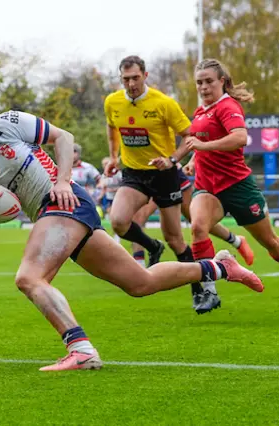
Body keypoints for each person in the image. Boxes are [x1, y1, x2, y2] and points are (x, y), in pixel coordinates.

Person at [0, 106, 264, 371]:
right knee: (140, 283)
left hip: (63, 201)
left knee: (29, 277)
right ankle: (219, 268)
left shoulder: (5, 125)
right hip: (54, 215)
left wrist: (61, 180)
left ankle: (80, 349)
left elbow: (64, 137)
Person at [178, 58, 279, 313]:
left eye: (208, 81)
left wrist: (202, 147)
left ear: (221, 81)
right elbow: (201, 142)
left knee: (271, 243)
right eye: (199, 82)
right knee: (198, 227)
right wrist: (194, 161)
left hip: (238, 187)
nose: (204, 87)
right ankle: (209, 292)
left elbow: (240, 137)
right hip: (208, 186)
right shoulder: (200, 112)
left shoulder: (228, 106)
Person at [104, 55, 205, 308]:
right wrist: (113, 157)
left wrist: (172, 159)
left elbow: (189, 136)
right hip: (134, 174)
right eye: (125, 79)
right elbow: (111, 127)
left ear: (145, 76)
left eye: (135, 78)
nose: (131, 84)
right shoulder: (112, 101)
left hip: (164, 176)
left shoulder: (163, 103)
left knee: (175, 238)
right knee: (117, 221)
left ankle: (199, 289)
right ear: (121, 79)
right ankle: (152, 247)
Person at [130, 159, 255, 272]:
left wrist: (183, 160)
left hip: (169, 175)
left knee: (197, 220)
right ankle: (139, 266)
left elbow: (189, 139)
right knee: (137, 218)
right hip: (142, 174)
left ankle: (236, 241)